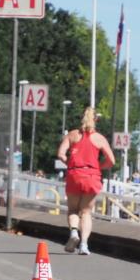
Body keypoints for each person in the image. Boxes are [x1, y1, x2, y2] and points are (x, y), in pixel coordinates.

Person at [56, 107, 114, 255]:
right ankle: (84, 245)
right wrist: (99, 167)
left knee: (73, 210)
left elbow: (61, 154)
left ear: (82, 118)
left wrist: (69, 162)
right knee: (87, 212)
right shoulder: (100, 138)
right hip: (92, 176)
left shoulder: (73, 135)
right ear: (96, 120)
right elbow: (111, 161)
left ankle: (74, 233)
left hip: (75, 174)